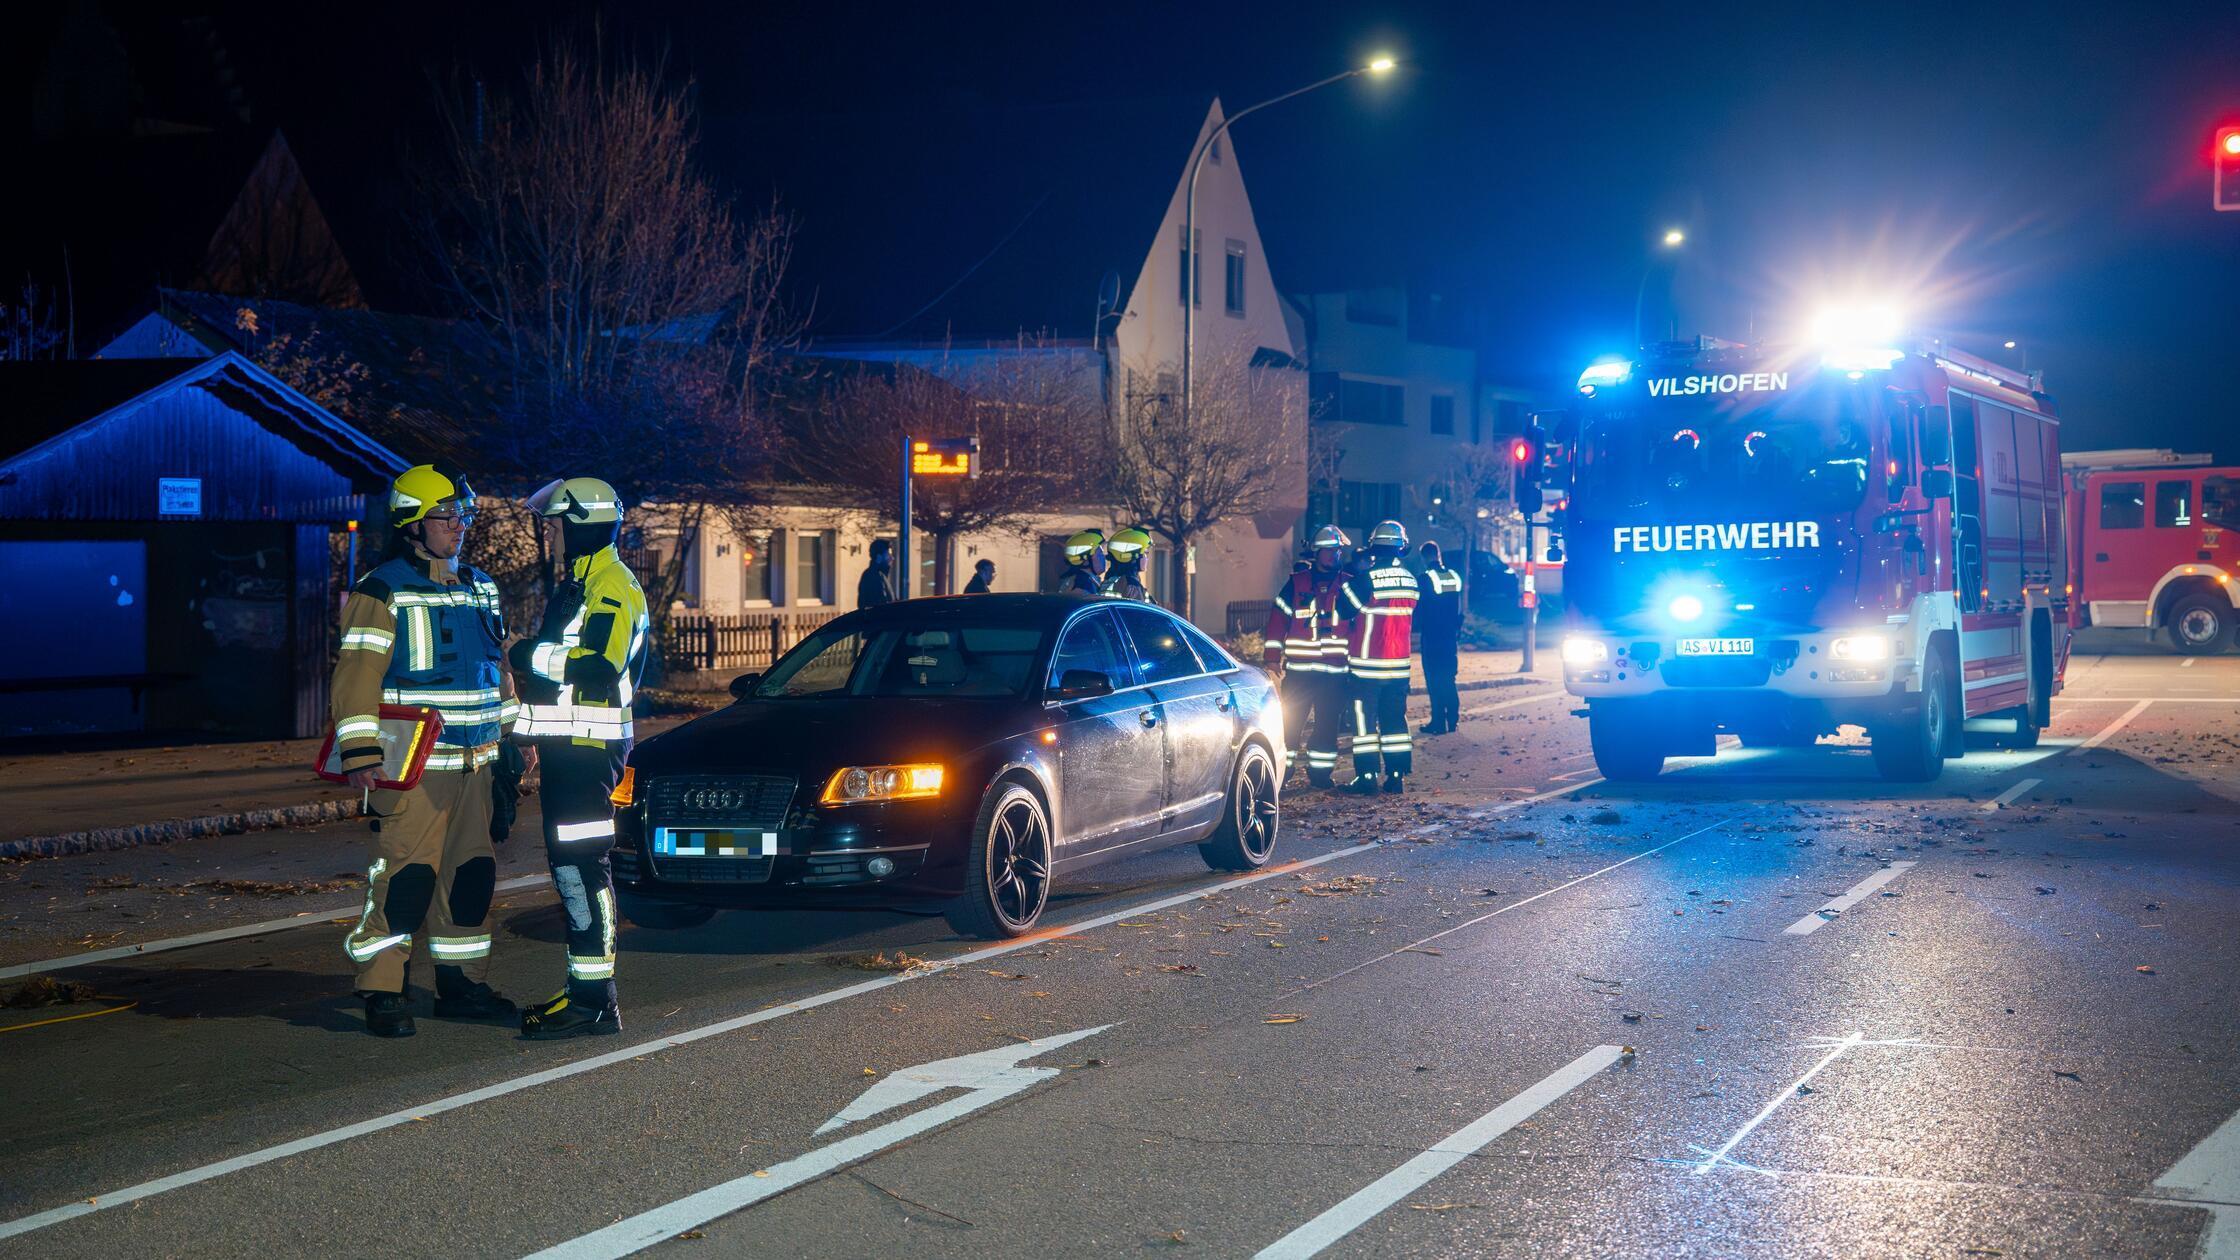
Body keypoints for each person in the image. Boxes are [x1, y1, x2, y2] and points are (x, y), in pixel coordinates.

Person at [331, 462, 519, 1038]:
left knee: (470, 879)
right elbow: (357, 674)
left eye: (463, 514)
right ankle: (382, 989)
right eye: (446, 515)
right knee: (405, 880)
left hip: (477, 766)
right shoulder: (382, 590)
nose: (459, 524)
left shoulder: (481, 586)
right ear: (411, 522)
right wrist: (360, 751)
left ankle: (460, 985)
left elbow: (498, 673)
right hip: (413, 770)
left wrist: (514, 739)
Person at [509, 476, 650, 1040]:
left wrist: (524, 652)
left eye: (559, 525)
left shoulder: (609, 585)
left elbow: (597, 666)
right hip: (571, 752)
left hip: (589, 755)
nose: (553, 534)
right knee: (572, 871)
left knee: (583, 871)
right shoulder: (584, 583)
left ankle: (594, 1001)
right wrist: (525, 737)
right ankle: (585, 992)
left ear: (582, 525)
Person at [1262, 526, 1352, 787]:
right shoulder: (1296, 583)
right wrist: (1272, 656)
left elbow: (1358, 625)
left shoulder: (1348, 583)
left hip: (1334, 672)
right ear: (1317, 552)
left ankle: (1320, 775)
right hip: (1299, 672)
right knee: (1290, 725)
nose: (1334, 555)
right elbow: (1278, 619)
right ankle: (1283, 772)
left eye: (1337, 550)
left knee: (1327, 727)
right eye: (1329, 550)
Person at [1339, 519, 1421, 794]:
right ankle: (1396, 777)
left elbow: (1343, 609)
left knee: (1364, 725)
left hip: (1366, 670)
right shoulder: (1411, 580)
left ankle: (1367, 778)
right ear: (1401, 547)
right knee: (1395, 723)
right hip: (1398, 669)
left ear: (1373, 547)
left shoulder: (1365, 581)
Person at [1416, 541, 1464, 735]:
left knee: (1435, 680)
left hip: (1432, 637)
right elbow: (1459, 608)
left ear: (1424, 557)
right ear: (1438, 554)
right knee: (1449, 678)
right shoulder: (1454, 576)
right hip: (1450, 636)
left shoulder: (1425, 579)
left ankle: (1438, 722)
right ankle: (1452, 720)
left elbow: (1420, 610)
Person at [1102, 526, 1153, 600]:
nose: (1146, 558)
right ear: (1131, 556)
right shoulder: (1131, 585)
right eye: (1145, 552)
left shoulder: (1111, 581)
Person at [1052, 529, 1107, 595]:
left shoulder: (1082, 580)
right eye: (1100, 553)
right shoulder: (1082, 583)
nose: (1104, 557)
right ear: (1085, 559)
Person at [858, 538, 896, 608]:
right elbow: (881, 606)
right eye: (888, 555)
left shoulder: (877, 575)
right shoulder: (874, 576)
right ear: (879, 557)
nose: (892, 558)